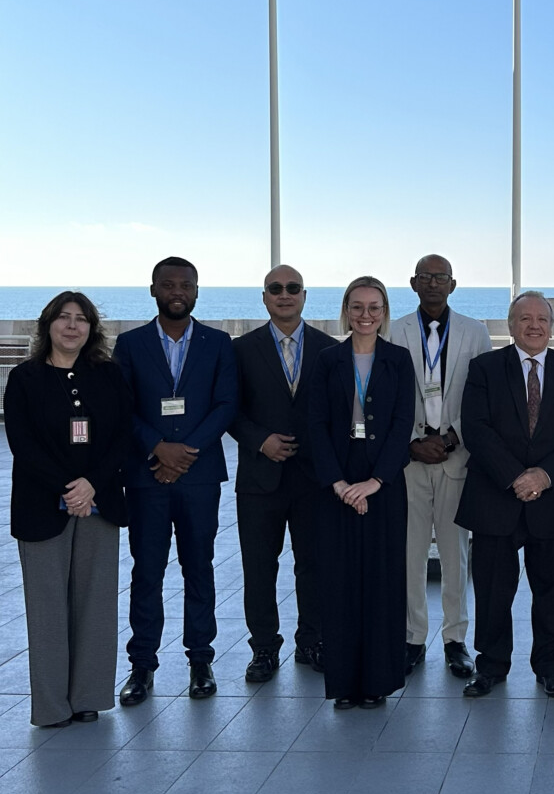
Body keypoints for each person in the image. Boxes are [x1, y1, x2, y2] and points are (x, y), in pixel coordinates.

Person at [458, 291, 554, 699]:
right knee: (492, 591)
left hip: (553, 500)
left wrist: (543, 476)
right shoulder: (484, 368)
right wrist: (515, 477)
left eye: (542, 319)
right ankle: (491, 666)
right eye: (525, 318)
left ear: (552, 327)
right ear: (510, 325)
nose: (534, 325)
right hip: (495, 497)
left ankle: (552, 669)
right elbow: (476, 428)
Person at [112, 257, 238, 706]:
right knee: (147, 571)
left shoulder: (218, 343)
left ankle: (201, 662)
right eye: (168, 284)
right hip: (146, 476)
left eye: (186, 285)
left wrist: (184, 453)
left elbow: (226, 405)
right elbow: (121, 406)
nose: (177, 292)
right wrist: (157, 447)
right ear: (154, 290)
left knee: (199, 568)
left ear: (197, 291)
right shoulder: (130, 344)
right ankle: (142, 666)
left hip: (199, 477)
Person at [3, 292, 132, 728]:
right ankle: (52, 707)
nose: (72, 326)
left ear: (92, 329)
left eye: (81, 319)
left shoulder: (109, 375)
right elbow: (22, 444)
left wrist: (92, 483)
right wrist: (68, 487)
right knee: (47, 609)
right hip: (41, 507)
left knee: (96, 603)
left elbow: (123, 435)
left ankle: (89, 697)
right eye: (64, 318)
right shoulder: (24, 378)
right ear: (48, 325)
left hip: (100, 503)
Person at [305, 277, 414, 709]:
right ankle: (344, 684)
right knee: (340, 585)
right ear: (345, 311)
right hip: (337, 489)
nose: (365, 315)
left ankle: (377, 682)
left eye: (374, 307)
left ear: (384, 312)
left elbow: (403, 425)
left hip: (383, 488)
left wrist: (375, 482)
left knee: (382, 584)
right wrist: (339, 483)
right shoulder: (327, 360)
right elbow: (315, 425)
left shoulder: (399, 360)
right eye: (357, 307)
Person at [230, 265, 337, 682]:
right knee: (259, 568)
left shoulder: (329, 349)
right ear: (264, 298)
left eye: (293, 288)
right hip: (260, 478)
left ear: (305, 296)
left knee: (314, 565)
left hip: (313, 479)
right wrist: (261, 441)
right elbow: (228, 409)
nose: (284, 294)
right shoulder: (241, 350)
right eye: (275, 288)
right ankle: (263, 648)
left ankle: (312, 641)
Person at [391, 254, 493, 679]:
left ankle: (455, 640)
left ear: (453, 284)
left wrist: (451, 439)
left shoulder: (475, 331)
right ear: (413, 283)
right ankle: (413, 638)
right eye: (425, 277)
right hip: (409, 460)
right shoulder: (393, 330)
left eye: (441, 277)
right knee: (410, 554)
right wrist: (410, 444)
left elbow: (483, 396)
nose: (433, 283)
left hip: (457, 457)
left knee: (456, 555)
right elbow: (387, 395)